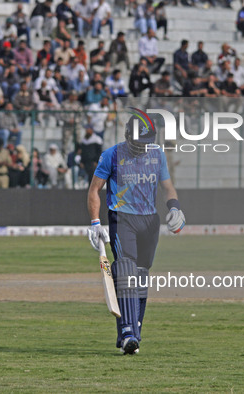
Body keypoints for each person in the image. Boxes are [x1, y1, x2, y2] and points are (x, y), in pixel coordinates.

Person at [86, 115, 185, 355]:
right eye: (139, 141)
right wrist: (96, 222)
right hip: (122, 218)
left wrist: (174, 206)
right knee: (126, 271)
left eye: (147, 141)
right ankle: (128, 331)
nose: (142, 146)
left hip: (149, 220)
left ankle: (131, 335)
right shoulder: (111, 155)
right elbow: (94, 189)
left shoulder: (157, 155)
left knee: (141, 276)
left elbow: (167, 186)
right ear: (128, 137)